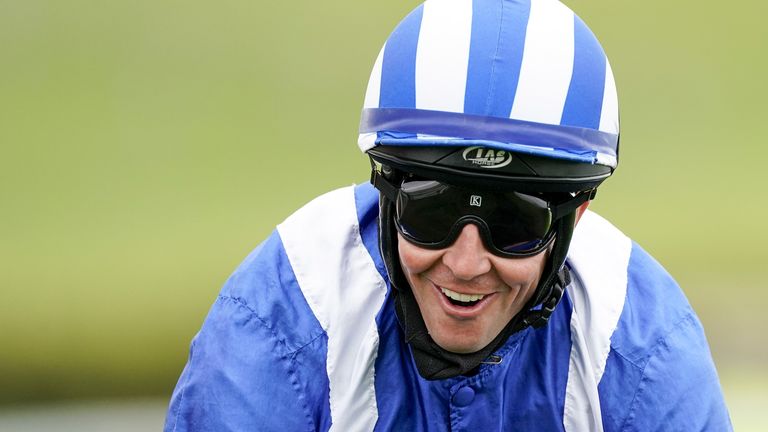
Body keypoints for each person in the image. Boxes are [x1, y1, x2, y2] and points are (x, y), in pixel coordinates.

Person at [164, 0, 732, 430]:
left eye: (514, 225)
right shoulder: (280, 324)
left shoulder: (645, 351)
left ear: (574, 220)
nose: (464, 264)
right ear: (386, 194)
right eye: (432, 211)